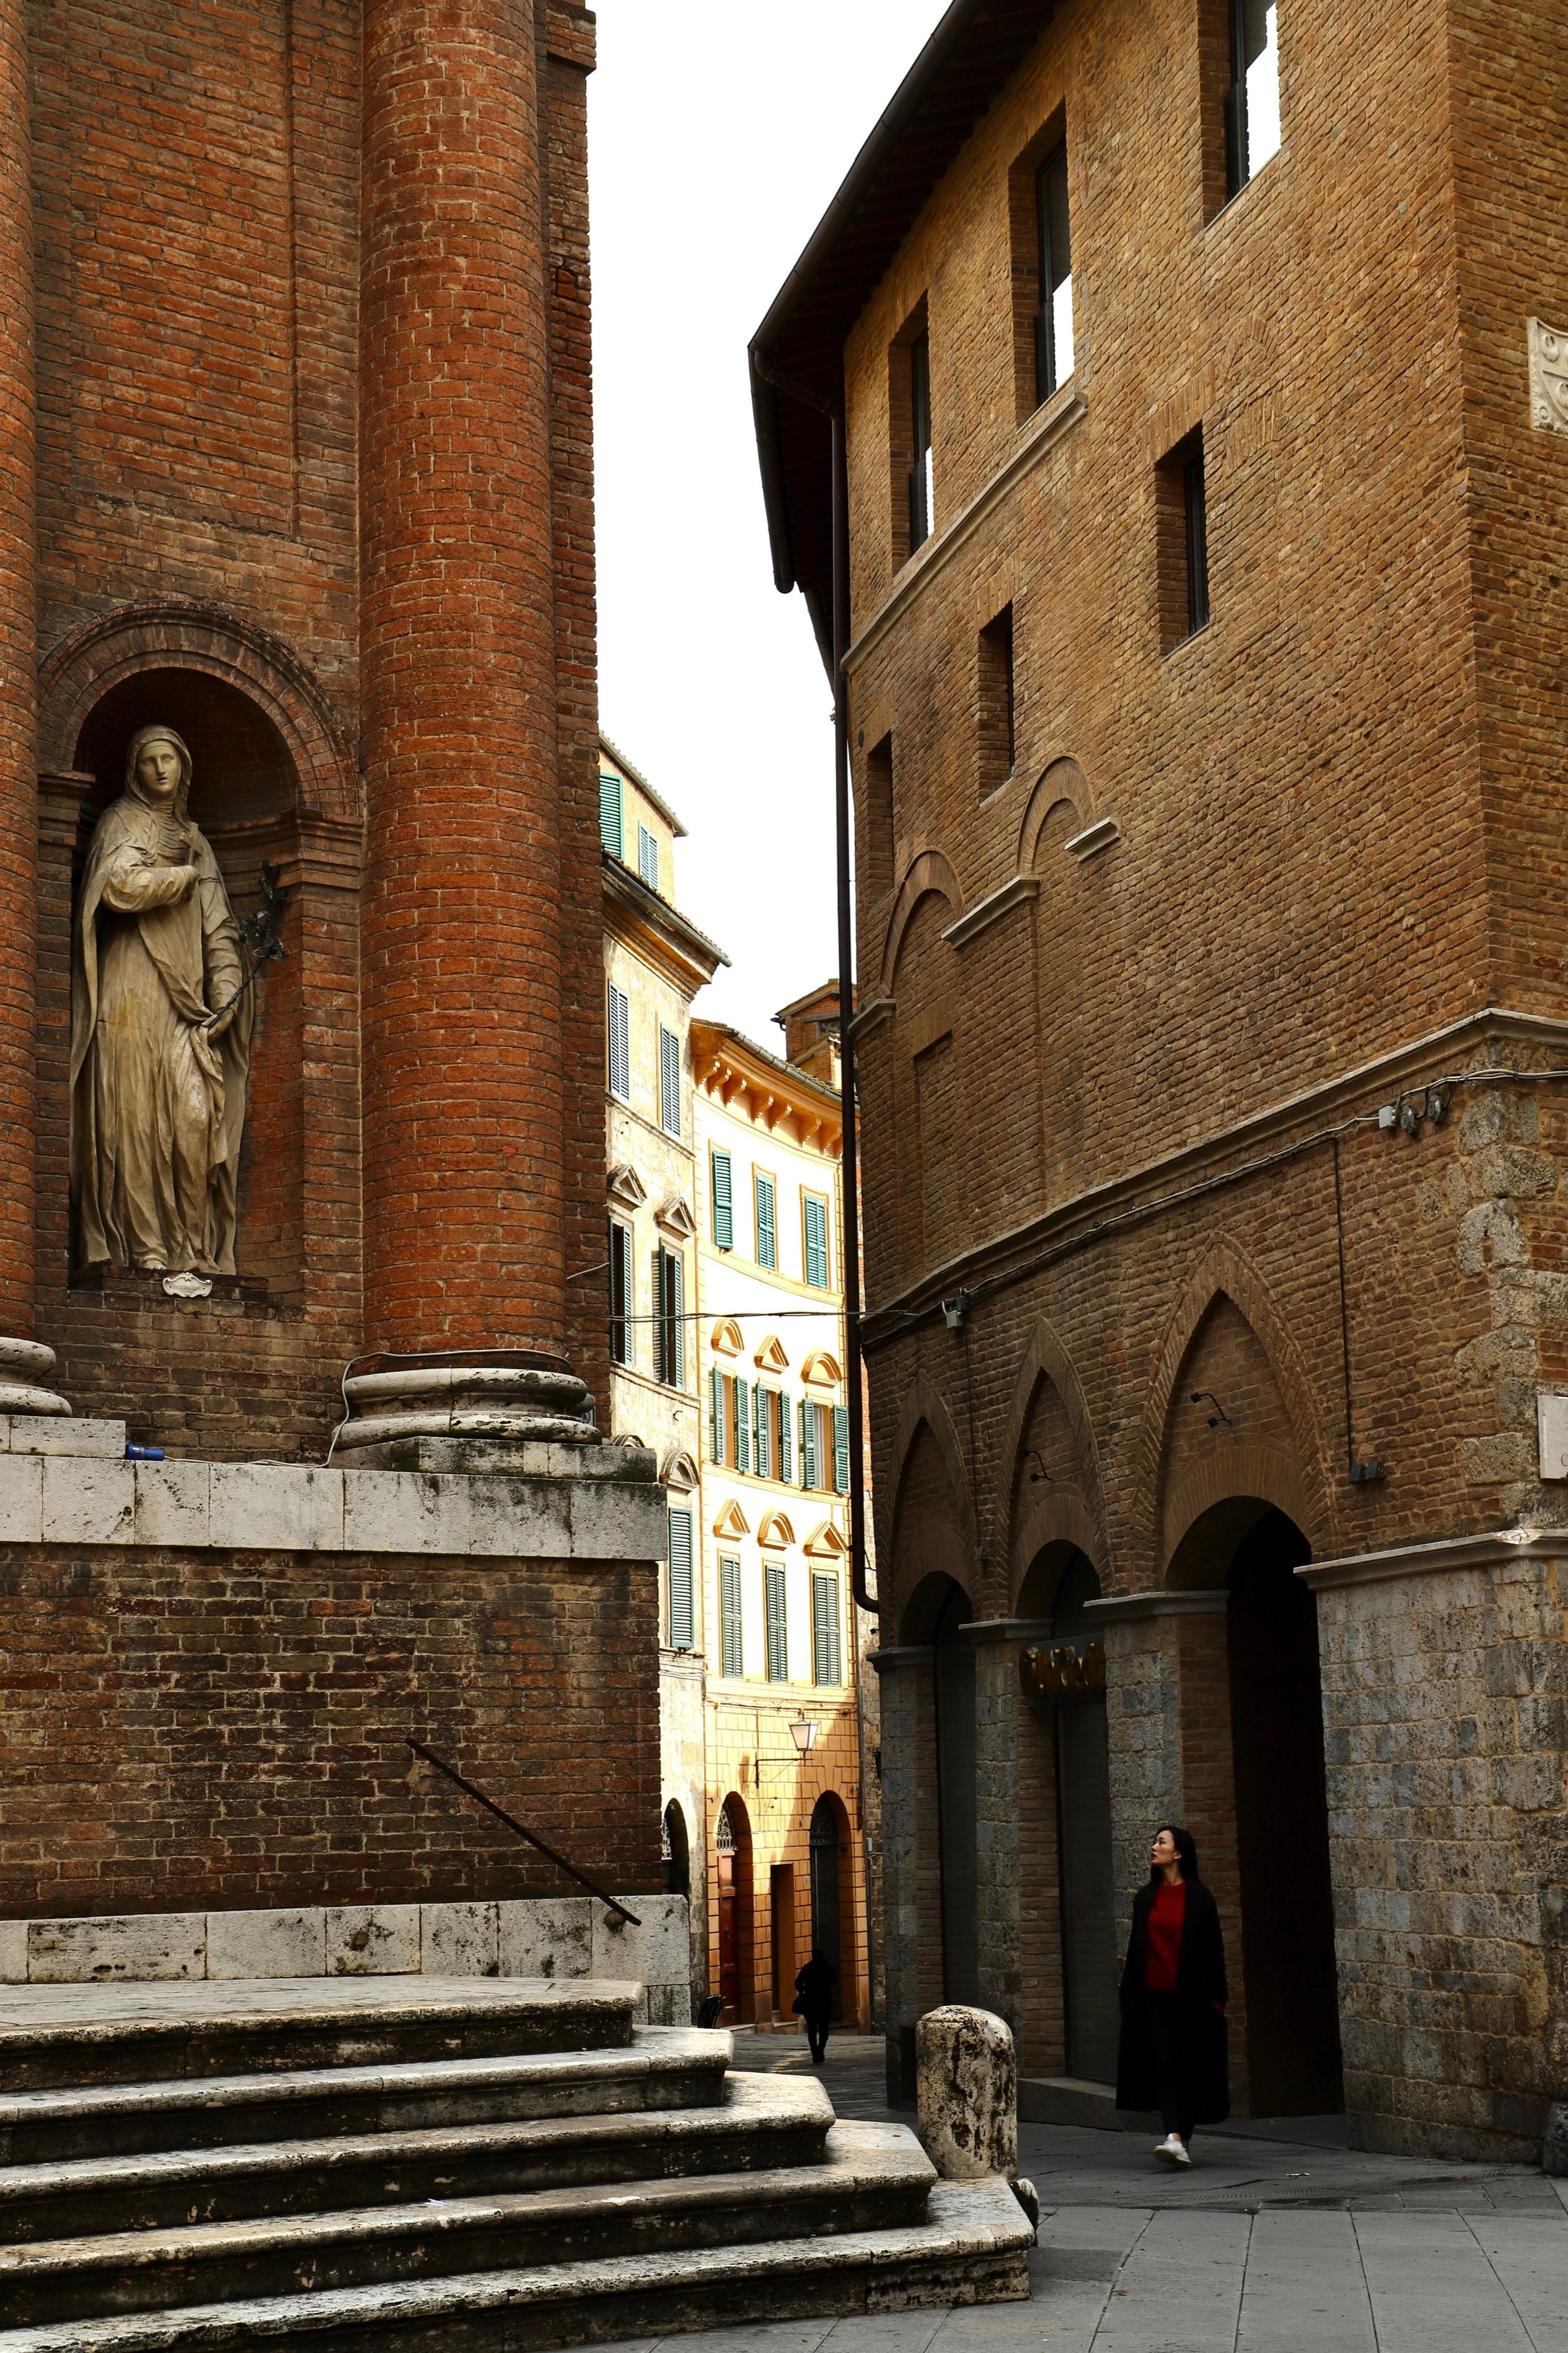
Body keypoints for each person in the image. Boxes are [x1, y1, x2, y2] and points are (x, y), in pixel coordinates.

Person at [70, 725, 253, 1276]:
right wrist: (181, 876)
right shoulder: (120, 822)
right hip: (129, 987)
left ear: (184, 765)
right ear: (134, 769)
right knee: (132, 1116)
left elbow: (219, 928)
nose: (160, 770)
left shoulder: (198, 842)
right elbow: (117, 887)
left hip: (187, 1003)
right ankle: (143, 1248)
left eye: (168, 758)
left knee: (194, 1119)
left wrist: (224, 995)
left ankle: (192, 1249)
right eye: (149, 760)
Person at [1115, 1824, 1229, 2167]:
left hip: (1192, 1998)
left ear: (1178, 1853)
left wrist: (1217, 2000)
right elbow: (1137, 1952)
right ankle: (1174, 2136)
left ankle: (1182, 2139)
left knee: (1188, 2066)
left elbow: (1214, 1952)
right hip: (1153, 1998)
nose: (1154, 1847)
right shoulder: (1145, 1898)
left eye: (1161, 1842)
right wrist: (1129, 1997)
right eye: (1154, 1842)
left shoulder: (1199, 1898)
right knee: (1164, 2062)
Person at [793, 1947, 838, 2064]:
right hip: (824, 2001)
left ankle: (814, 2052)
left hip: (810, 2001)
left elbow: (797, 1982)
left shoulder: (807, 1968)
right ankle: (820, 2050)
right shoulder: (827, 1968)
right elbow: (835, 1981)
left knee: (812, 2028)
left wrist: (804, 1990)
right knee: (824, 2029)